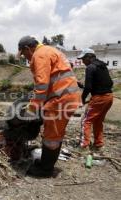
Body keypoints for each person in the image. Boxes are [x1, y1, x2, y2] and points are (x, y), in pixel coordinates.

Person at [16, 36, 81, 177]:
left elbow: (41, 85)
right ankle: (46, 163)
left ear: (28, 48)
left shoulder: (40, 55)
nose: (26, 58)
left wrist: (32, 108)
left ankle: (45, 170)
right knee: (54, 133)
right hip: (66, 96)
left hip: (60, 99)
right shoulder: (50, 50)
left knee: (52, 135)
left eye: (24, 54)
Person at [77, 48, 113, 150]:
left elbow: (89, 87)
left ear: (90, 57)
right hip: (109, 97)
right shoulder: (102, 65)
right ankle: (98, 144)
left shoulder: (90, 67)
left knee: (86, 121)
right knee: (98, 121)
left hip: (99, 98)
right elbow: (105, 83)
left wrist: (82, 99)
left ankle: (84, 146)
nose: (82, 61)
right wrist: (82, 86)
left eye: (84, 58)